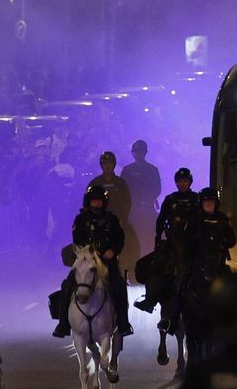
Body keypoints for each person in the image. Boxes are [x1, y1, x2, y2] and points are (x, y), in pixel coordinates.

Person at [54, 185, 131, 338]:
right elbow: (77, 239)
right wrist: (90, 252)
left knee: (119, 286)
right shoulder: (81, 219)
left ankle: (123, 323)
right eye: (94, 200)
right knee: (67, 286)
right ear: (88, 201)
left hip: (107, 263)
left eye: (100, 200)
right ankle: (63, 324)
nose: (97, 203)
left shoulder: (111, 219)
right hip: (86, 261)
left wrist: (112, 251)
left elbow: (120, 239)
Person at [136, 167, 201, 315]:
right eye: (180, 181)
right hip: (172, 242)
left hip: (192, 243)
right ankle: (150, 299)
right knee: (153, 265)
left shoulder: (197, 199)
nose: (182, 184)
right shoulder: (170, 199)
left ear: (190, 182)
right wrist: (159, 239)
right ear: (176, 183)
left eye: (185, 181)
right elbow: (161, 220)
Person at [87, 151, 137, 271]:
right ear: (101, 165)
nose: (107, 166)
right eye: (105, 163)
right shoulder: (95, 183)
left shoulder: (121, 183)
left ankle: (130, 270)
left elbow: (127, 203)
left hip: (119, 222)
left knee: (132, 241)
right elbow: (87, 204)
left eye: (110, 163)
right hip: (98, 223)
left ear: (114, 164)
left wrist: (122, 220)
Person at [120, 140, 163, 270]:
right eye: (136, 151)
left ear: (145, 153)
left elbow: (157, 188)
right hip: (132, 209)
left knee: (155, 234)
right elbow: (123, 188)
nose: (139, 154)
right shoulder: (127, 170)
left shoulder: (152, 170)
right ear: (133, 153)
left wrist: (147, 199)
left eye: (141, 151)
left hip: (148, 208)